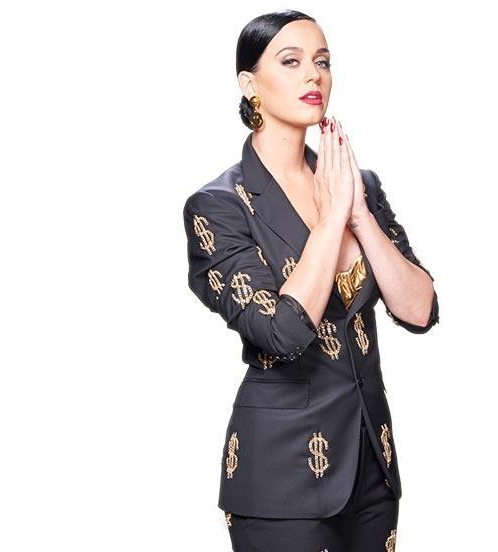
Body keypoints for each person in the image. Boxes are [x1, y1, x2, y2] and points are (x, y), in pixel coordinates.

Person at [182, 10, 439, 552]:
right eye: (291, 61)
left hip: (372, 465)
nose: (313, 74)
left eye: (322, 61)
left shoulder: (356, 185)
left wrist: (358, 214)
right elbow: (282, 332)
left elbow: (420, 310)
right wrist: (329, 221)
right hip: (280, 475)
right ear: (249, 84)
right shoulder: (219, 206)